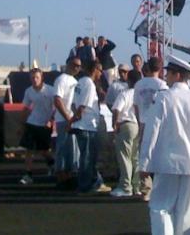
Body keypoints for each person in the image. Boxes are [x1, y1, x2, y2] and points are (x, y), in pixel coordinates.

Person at [139, 55, 190, 235]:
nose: (166, 76)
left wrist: (144, 162)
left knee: (160, 208)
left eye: (168, 73)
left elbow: (152, 132)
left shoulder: (163, 98)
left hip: (167, 164)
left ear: (177, 74)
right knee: (188, 215)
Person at [70, 60, 110, 194]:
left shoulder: (80, 82)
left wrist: (73, 119)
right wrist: (77, 117)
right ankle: (84, 185)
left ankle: (95, 181)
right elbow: (82, 105)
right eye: (100, 71)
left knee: (87, 156)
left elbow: (73, 104)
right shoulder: (89, 84)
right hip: (87, 125)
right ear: (95, 69)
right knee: (87, 157)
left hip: (82, 124)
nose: (101, 74)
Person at [133, 56, 167, 201]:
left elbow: (135, 105)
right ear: (159, 69)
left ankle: (145, 188)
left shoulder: (139, 84)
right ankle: (158, 187)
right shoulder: (162, 85)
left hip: (143, 120)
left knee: (143, 154)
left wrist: (139, 118)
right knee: (158, 153)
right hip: (158, 122)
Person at [19, 68, 55, 185]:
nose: (35, 80)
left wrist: (51, 120)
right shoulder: (28, 91)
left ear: (41, 78)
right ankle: (28, 174)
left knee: (44, 150)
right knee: (29, 150)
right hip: (32, 123)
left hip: (45, 125)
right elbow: (25, 108)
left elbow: (56, 107)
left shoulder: (50, 91)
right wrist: (22, 125)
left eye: (37, 77)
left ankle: (52, 163)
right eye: (33, 78)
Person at [50, 56, 81, 187]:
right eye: (74, 64)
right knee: (63, 149)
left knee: (72, 150)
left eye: (79, 66)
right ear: (68, 64)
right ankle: (61, 177)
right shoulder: (61, 80)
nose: (76, 67)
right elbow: (57, 100)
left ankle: (69, 177)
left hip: (72, 121)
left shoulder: (75, 81)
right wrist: (68, 118)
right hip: (64, 120)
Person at [110, 74, 140, 198]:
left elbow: (117, 109)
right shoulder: (140, 95)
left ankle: (125, 186)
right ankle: (137, 186)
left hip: (126, 124)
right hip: (138, 125)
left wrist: (114, 124)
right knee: (136, 158)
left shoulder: (125, 94)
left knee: (124, 157)